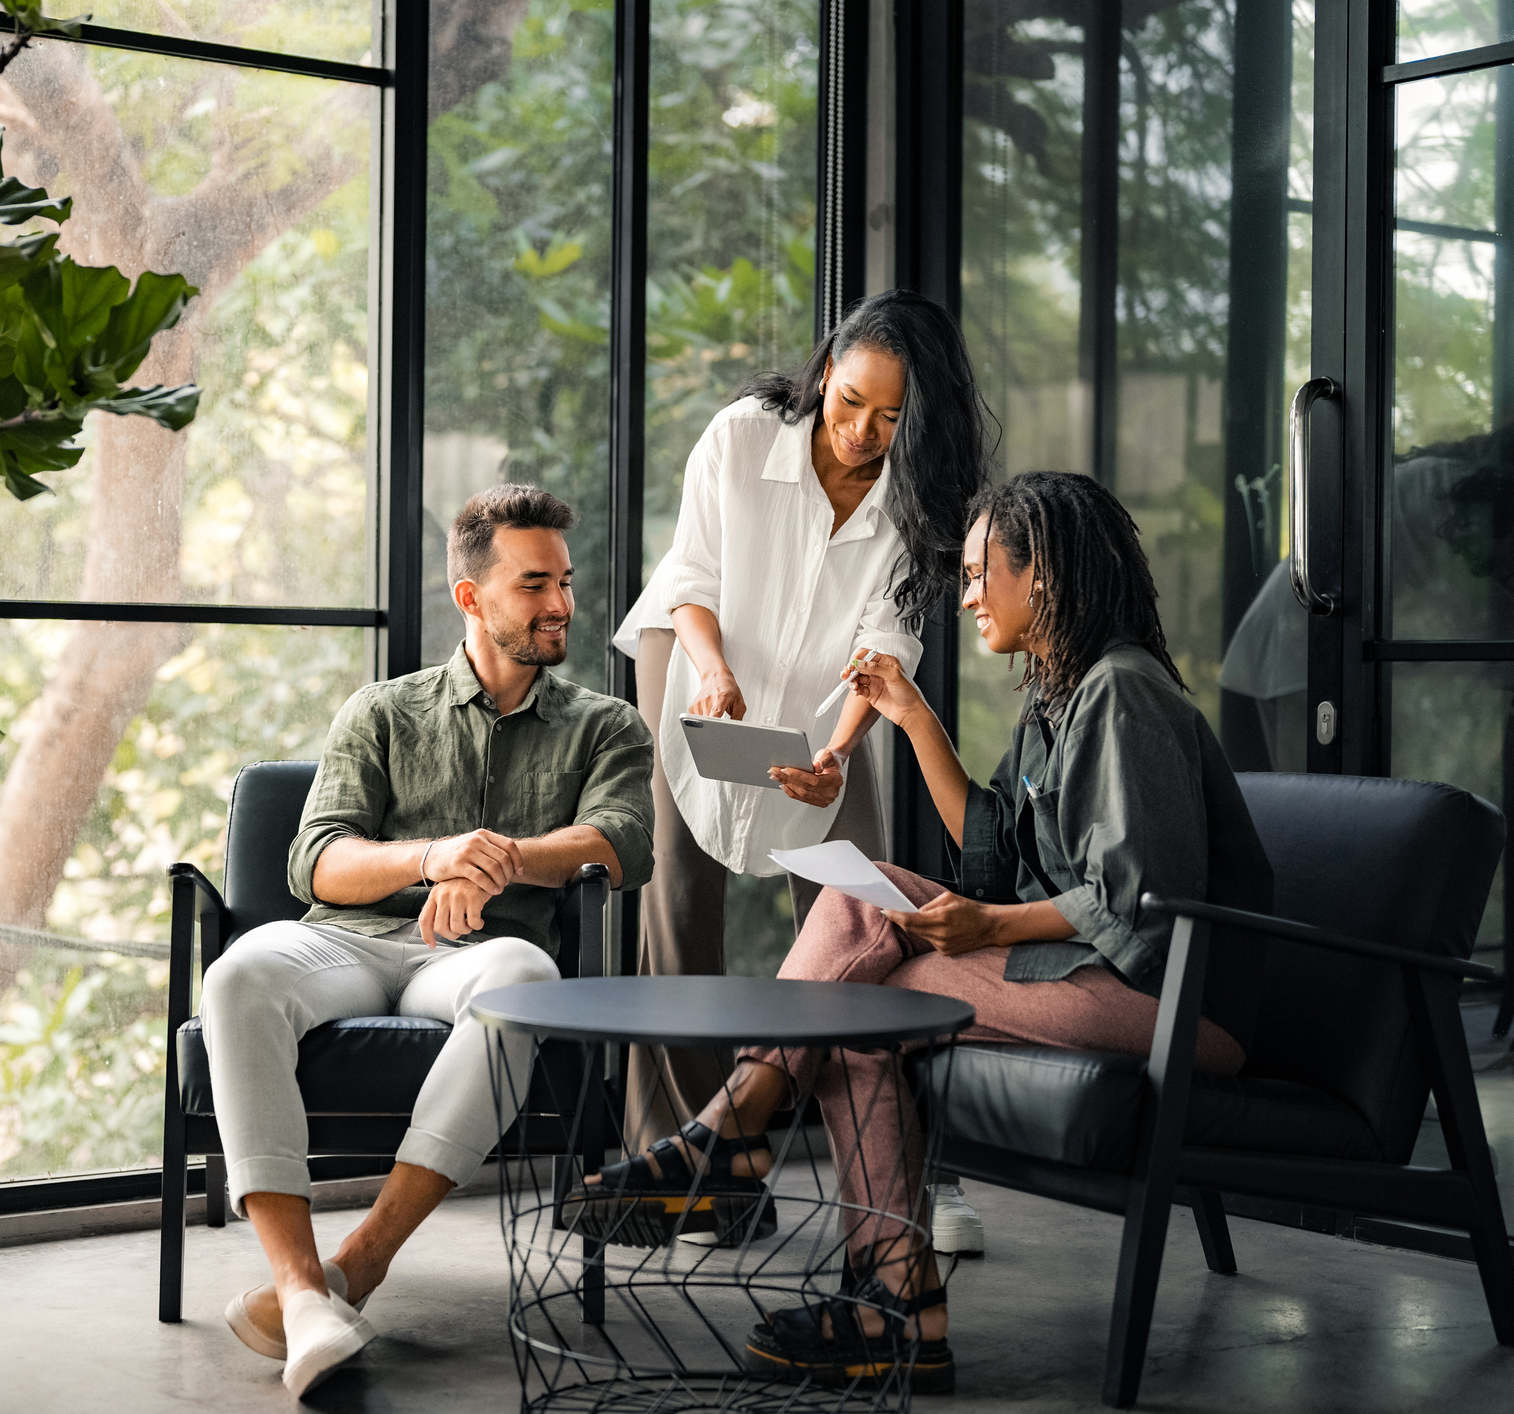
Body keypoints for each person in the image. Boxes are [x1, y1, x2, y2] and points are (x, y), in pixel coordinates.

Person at [572, 471, 1272, 1394]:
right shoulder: (1057, 699)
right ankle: (892, 1307)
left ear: (1046, 578)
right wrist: (910, 718)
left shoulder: (1122, 694)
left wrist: (990, 924)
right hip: (1096, 976)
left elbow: (1139, 901)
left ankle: (740, 1140)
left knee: (858, 976)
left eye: (984, 572)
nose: (970, 593)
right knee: (857, 987)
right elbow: (990, 856)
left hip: (1172, 1000)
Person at [199, 483, 655, 1397]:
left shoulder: (607, 723)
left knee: (526, 972)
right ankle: (299, 1289)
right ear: (470, 596)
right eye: (533, 585)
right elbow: (316, 863)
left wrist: (493, 863)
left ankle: (354, 1270)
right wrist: (435, 855)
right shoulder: (381, 710)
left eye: (563, 581)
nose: (561, 604)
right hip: (350, 945)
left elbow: (621, 842)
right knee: (238, 974)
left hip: (480, 957)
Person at [611, 288, 992, 1250]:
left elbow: (885, 641)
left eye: (892, 417)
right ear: (825, 372)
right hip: (700, 662)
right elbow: (689, 576)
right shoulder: (742, 436)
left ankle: (903, 1180)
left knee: (860, 910)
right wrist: (712, 673)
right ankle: (698, 1166)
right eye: (850, 401)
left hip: (834, 699)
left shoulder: (920, 498)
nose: (863, 431)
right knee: (675, 901)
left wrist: (835, 753)